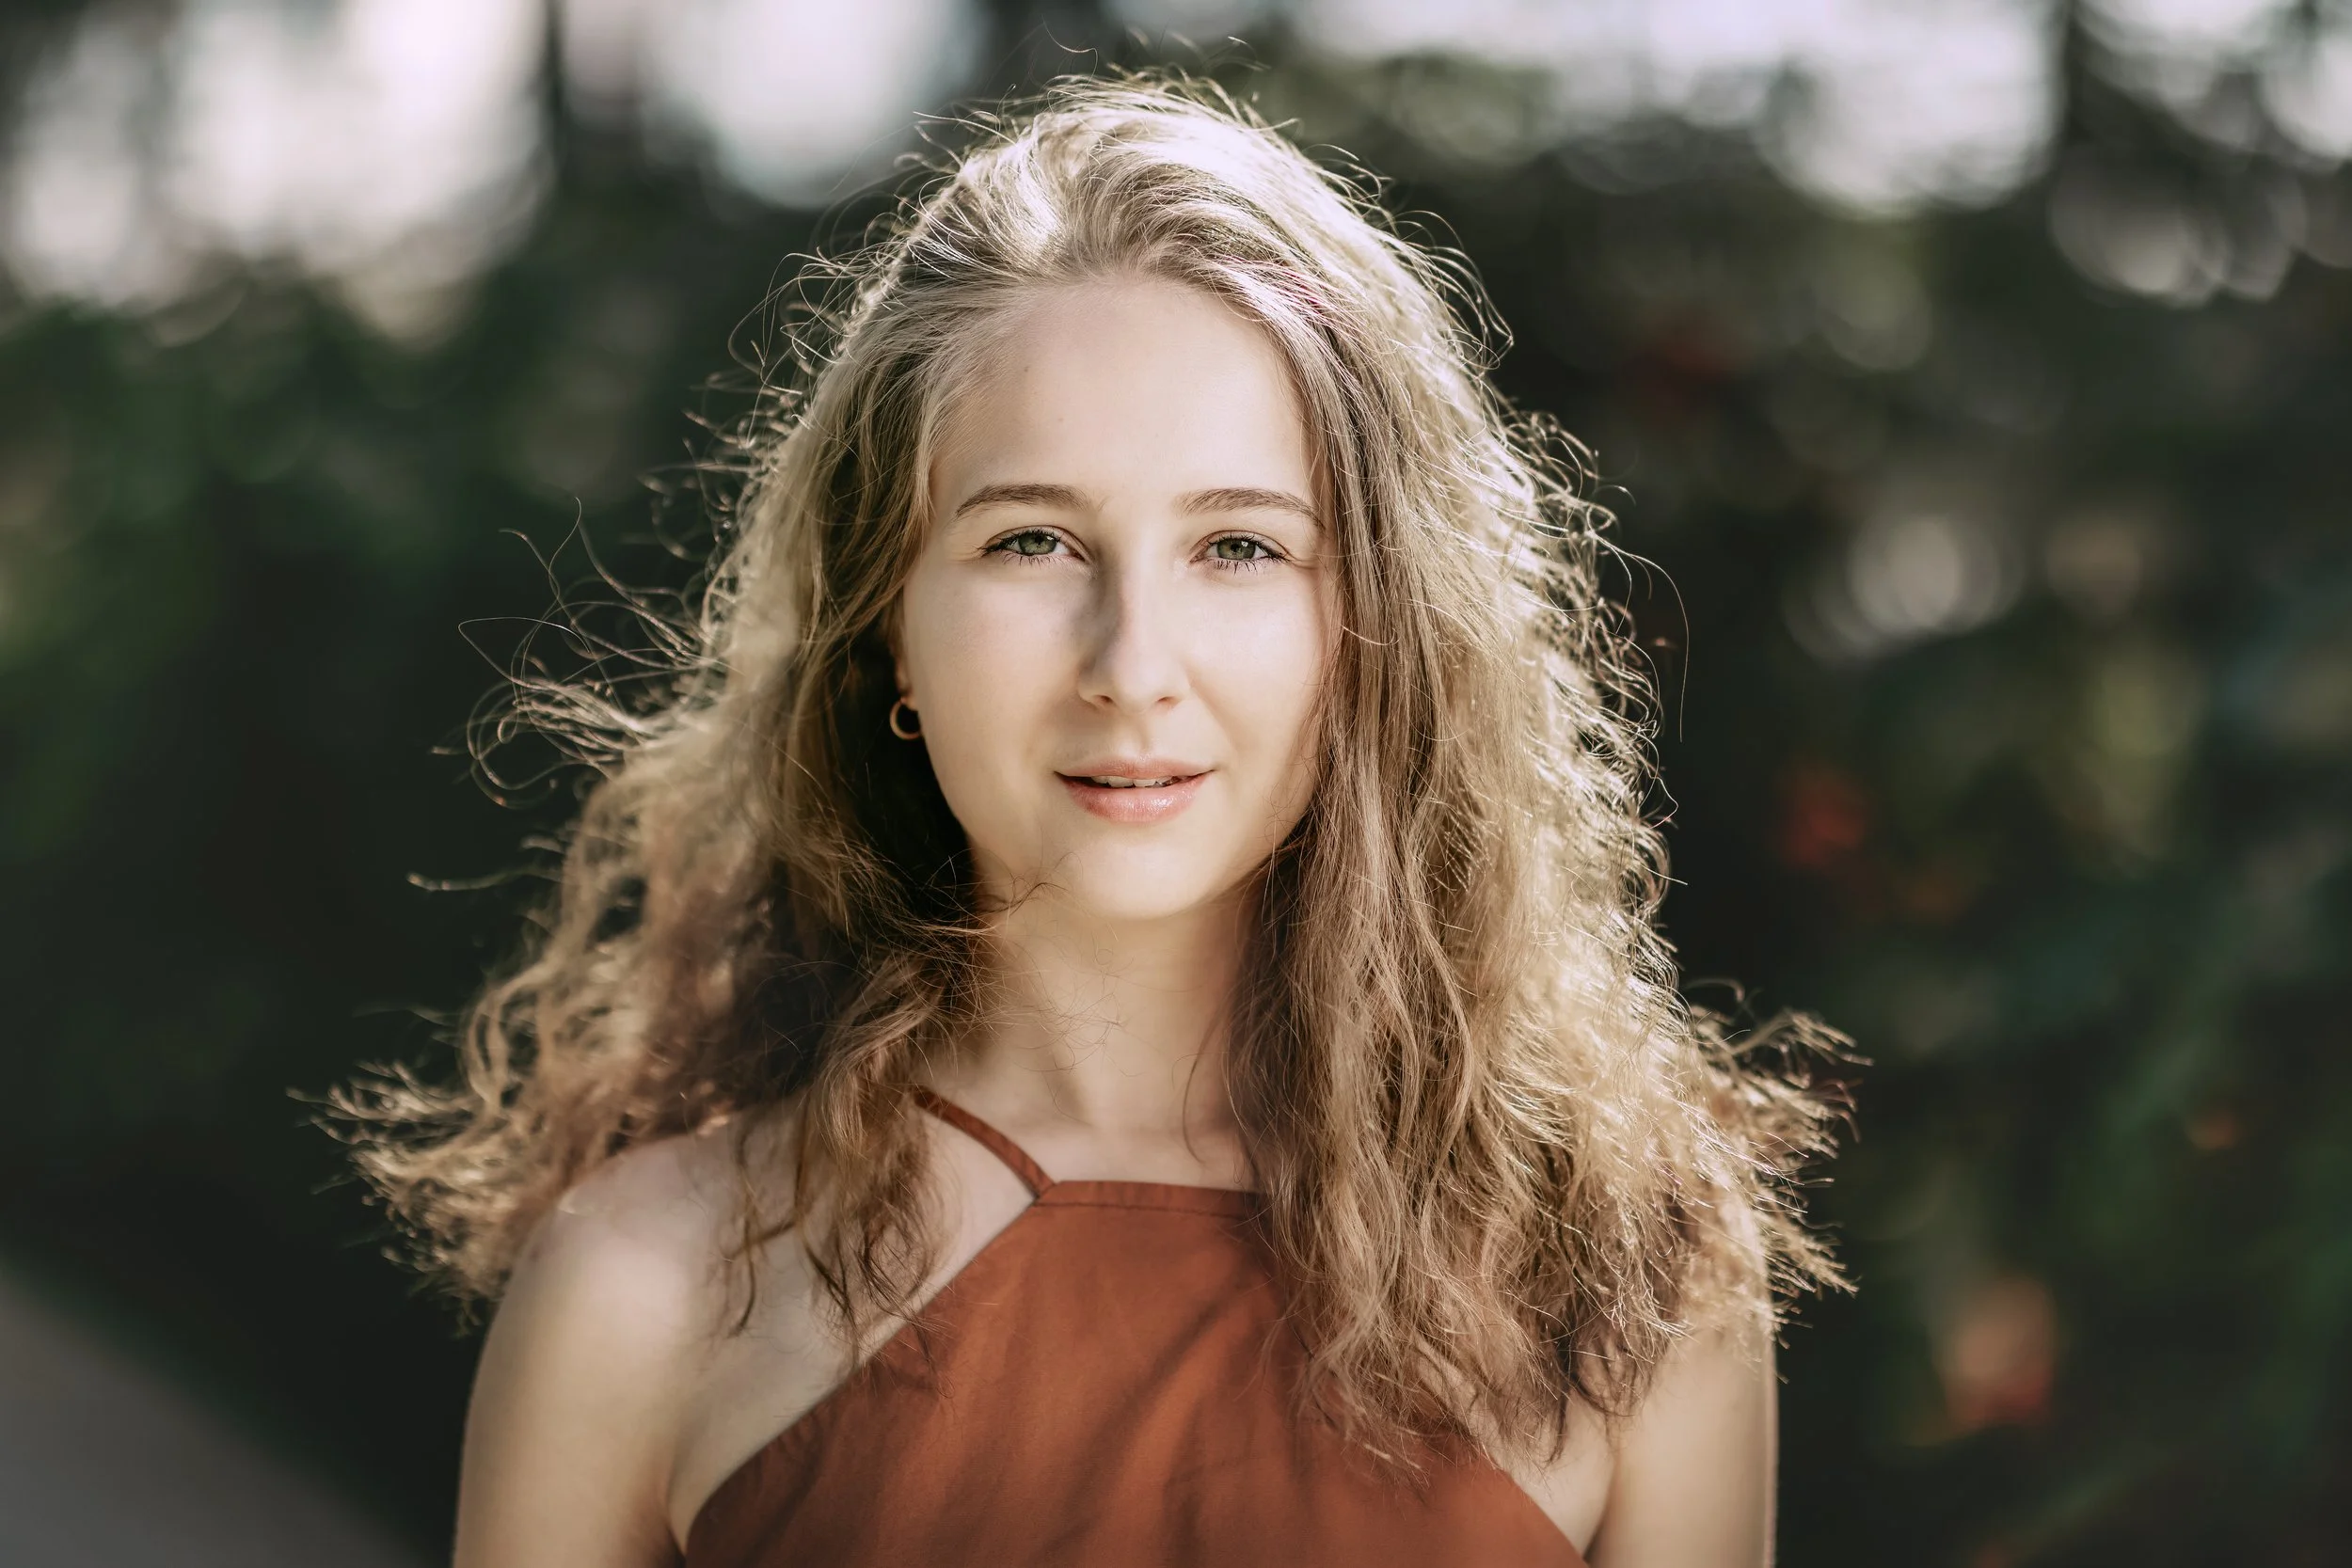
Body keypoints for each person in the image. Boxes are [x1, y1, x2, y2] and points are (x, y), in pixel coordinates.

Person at [345, 75, 1837, 1568]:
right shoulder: (640, 1290)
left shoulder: (1632, 1283)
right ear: (888, 629)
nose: (1133, 665)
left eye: (1240, 545)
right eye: (1034, 540)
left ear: (1380, 623)